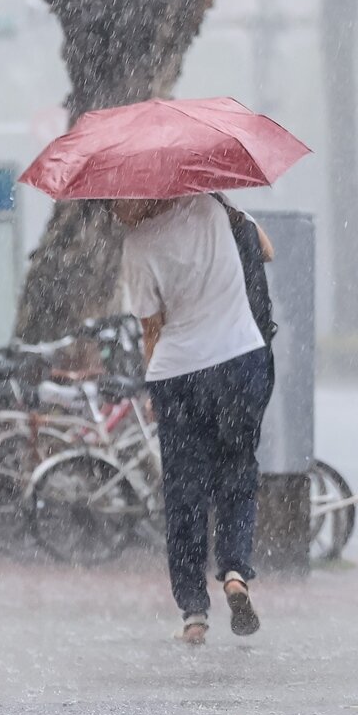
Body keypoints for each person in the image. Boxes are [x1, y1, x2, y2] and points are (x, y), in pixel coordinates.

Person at [115, 194, 276, 646]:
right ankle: (235, 572)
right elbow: (266, 248)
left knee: (185, 491)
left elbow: (152, 329)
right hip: (239, 361)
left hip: (179, 372)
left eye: (113, 203)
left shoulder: (137, 244)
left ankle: (193, 612)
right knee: (238, 473)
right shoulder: (210, 208)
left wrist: (152, 385)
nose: (112, 211)